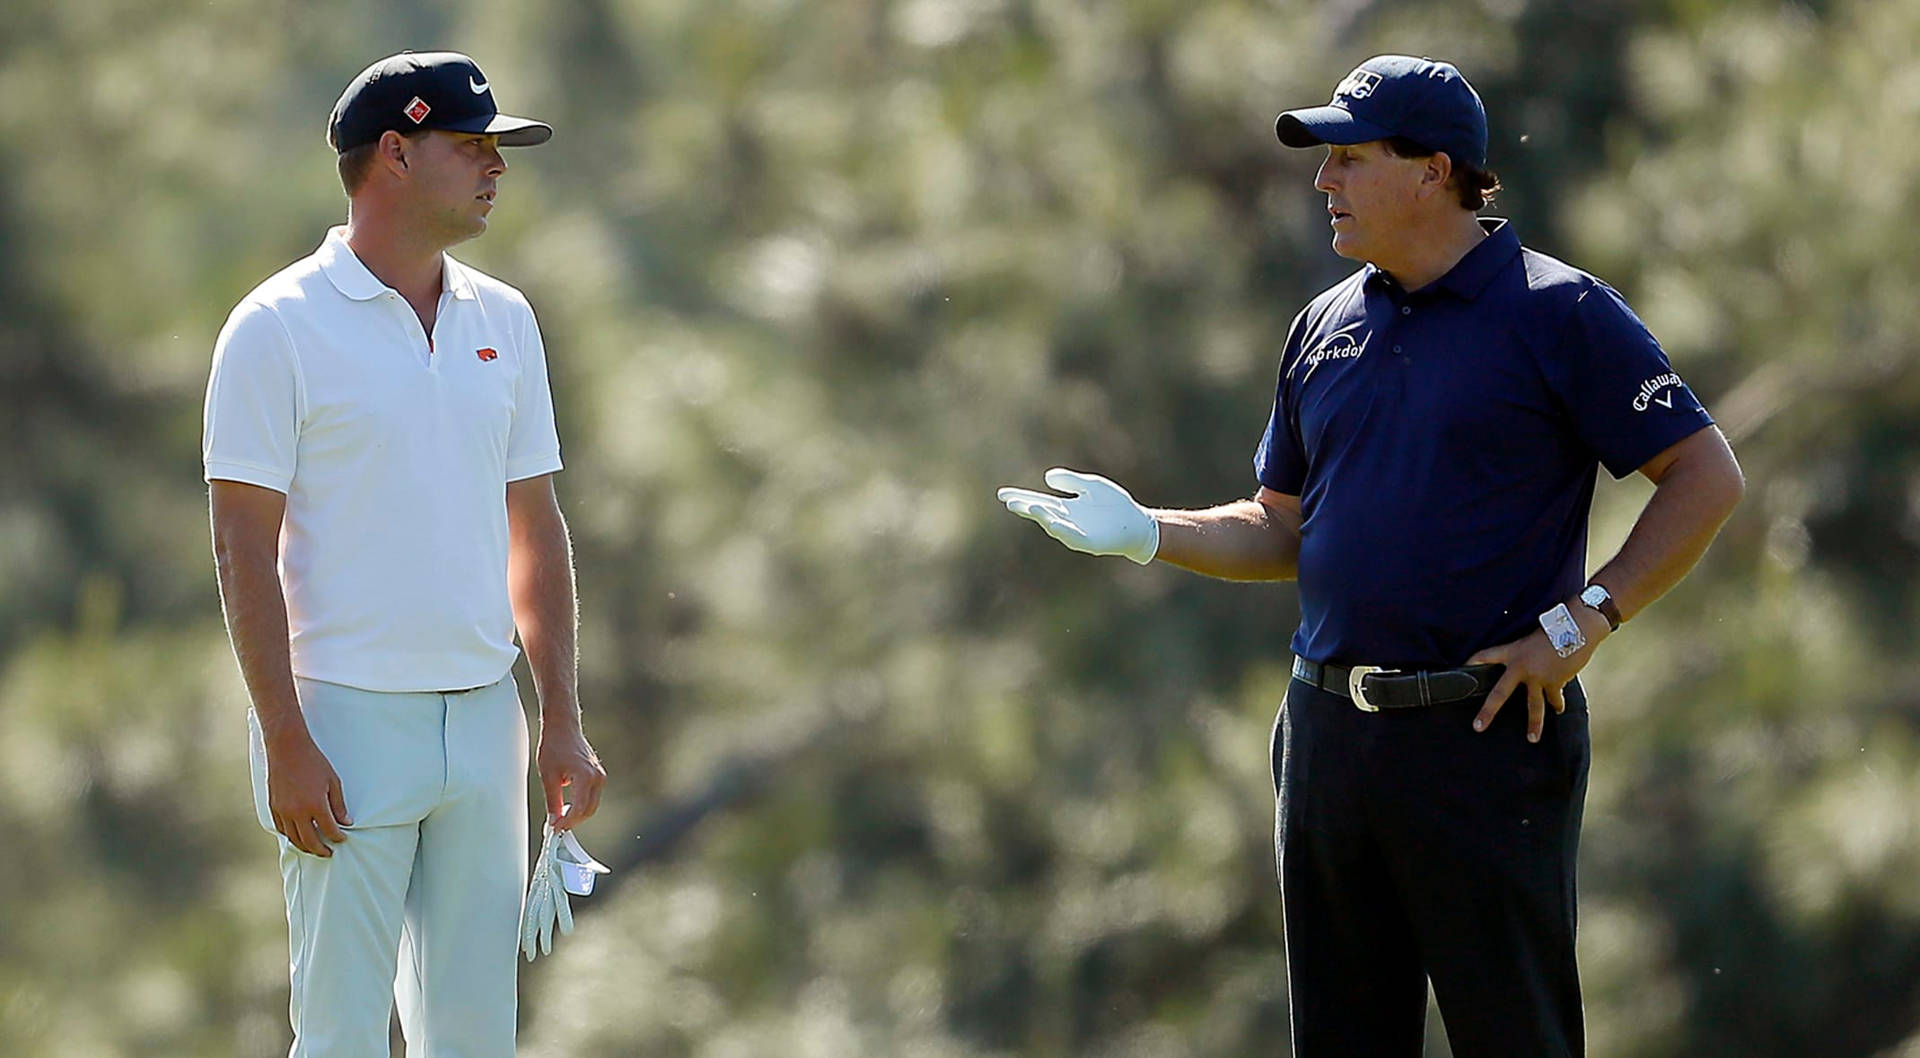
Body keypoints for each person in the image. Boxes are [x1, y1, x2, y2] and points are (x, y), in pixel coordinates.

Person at [998, 54, 1744, 1057]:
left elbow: (1706, 476)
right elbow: (1283, 530)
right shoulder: (1325, 326)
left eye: (1349, 158)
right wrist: (1150, 530)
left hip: (1481, 735)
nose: (1324, 182)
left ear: (1435, 170)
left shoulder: (1557, 312)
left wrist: (1581, 623)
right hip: (1326, 741)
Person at [203, 51, 607, 1057]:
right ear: (394, 153)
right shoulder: (275, 326)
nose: (495, 167)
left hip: (482, 721)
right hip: (340, 724)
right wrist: (285, 737)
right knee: (340, 1036)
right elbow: (241, 544)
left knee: (474, 1040)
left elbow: (535, 524)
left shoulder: (503, 319)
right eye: (472, 146)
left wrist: (561, 717)